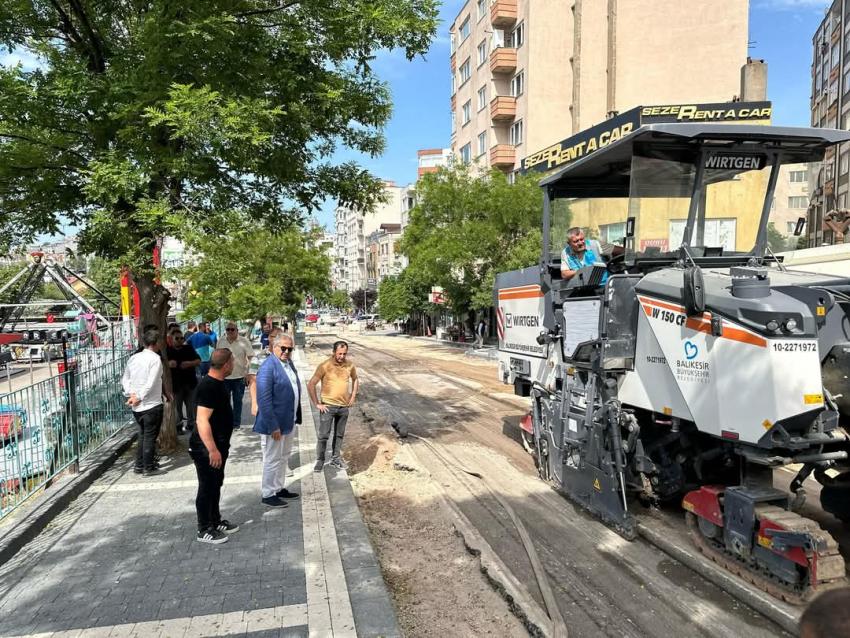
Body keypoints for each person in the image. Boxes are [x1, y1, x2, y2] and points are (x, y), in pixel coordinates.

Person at [189, 348, 239, 544]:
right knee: (207, 486)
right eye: (233, 360)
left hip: (219, 445)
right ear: (226, 364)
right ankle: (204, 528)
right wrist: (212, 449)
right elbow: (202, 421)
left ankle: (215, 520)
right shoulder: (208, 386)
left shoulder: (219, 384)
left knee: (216, 484)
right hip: (206, 449)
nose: (234, 364)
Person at [254, 333, 302, 506]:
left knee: (284, 456)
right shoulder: (268, 367)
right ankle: (268, 494)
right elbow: (264, 400)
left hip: (289, 421)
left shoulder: (288, 363)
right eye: (283, 348)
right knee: (272, 458)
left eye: (290, 349)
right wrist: (273, 426)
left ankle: (278, 487)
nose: (286, 351)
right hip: (275, 425)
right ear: (274, 347)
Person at [121, 328, 167, 476]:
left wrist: (131, 393)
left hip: (137, 405)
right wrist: (138, 396)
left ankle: (139, 465)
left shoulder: (134, 358)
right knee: (150, 436)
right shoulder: (155, 359)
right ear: (156, 342)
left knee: (142, 434)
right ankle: (148, 466)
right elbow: (151, 383)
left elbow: (125, 379)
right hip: (151, 404)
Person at [307, 340, 358, 471]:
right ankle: (320, 460)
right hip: (328, 407)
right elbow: (311, 384)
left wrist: (353, 396)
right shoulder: (325, 366)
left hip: (343, 408)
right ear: (334, 352)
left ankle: (335, 459)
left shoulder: (350, 366)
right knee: (323, 435)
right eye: (339, 353)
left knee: (339, 435)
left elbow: (355, 379)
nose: (342, 356)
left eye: (344, 354)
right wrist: (317, 403)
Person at [217, 322, 254, 430]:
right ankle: (227, 422)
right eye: (228, 329)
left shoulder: (244, 341)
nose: (230, 331)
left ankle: (236, 423)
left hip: (239, 377)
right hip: (225, 377)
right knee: (224, 402)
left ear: (237, 330)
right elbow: (217, 356)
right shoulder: (221, 341)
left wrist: (249, 373)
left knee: (238, 402)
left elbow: (251, 357)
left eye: (232, 329)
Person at [166, 328, 201, 434]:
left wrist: (189, 364)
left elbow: (198, 360)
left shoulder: (188, 348)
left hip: (190, 382)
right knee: (177, 407)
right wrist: (168, 364)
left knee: (191, 406)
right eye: (177, 338)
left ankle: (191, 424)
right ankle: (178, 426)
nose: (180, 340)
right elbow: (160, 363)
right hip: (176, 384)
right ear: (171, 339)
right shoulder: (167, 351)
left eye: (182, 338)